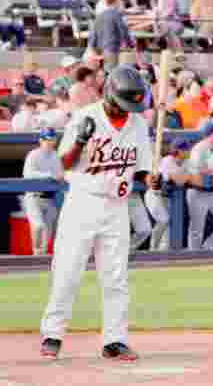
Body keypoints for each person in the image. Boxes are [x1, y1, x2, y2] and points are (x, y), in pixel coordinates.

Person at [39, 65, 157, 362]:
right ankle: (52, 334)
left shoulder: (138, 125)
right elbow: (64, 164)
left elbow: (142, 171)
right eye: (124, 105)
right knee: (68, 271)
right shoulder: (85, 116)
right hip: (83, 201)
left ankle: (114, 340)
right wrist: (79, 141)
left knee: (116, 277)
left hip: (117, 206)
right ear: (110, 96)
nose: (128, 111)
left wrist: (153, 180)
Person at [145, 138, 197, 251]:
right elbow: (179, 180)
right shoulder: (167, 160)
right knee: (163, 220)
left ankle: (161, 255)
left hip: (167, 198)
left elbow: (194, 179)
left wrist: (186, 176)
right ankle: (152, 249)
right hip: (155, 196)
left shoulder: (186, 162)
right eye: (186, 149)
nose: (189, 152)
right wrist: (186, 176)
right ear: (178, 151)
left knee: (168, 229)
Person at [22, 127, 63, 255]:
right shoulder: (33, 154)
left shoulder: (56, 156)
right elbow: (27, 174)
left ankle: (41, 260)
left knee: (49, 233)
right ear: (41, 140)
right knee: (38, 226)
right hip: (34, 196)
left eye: (52, 139)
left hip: (50, 198)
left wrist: (60, 176)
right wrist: (49, 175)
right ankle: (36, 252)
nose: (50, 142)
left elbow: (60, 175)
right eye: (47, 139)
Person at [186, 119, 213, 249]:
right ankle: (193, 257)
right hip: (197, 191)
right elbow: (196, 169)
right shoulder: (199, 148)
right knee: (197, 228)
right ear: (211, 134)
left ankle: (208, 245)